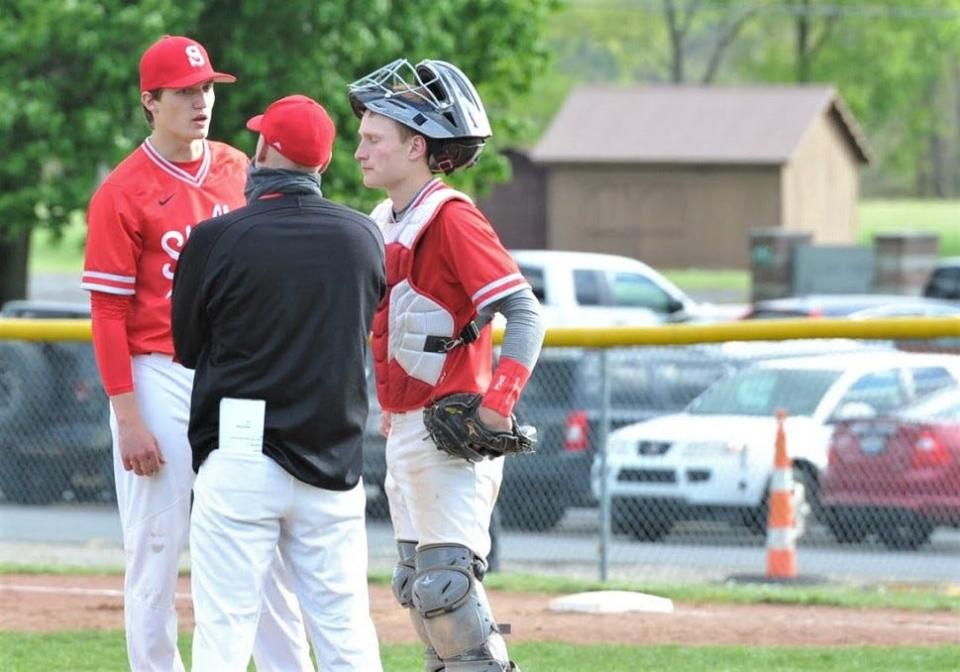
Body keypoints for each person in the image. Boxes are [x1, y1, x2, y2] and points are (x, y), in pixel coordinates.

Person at [82, 35, 312, 672]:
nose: (201, 100)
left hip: (234, 375)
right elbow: (107, 312)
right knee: (157, 544)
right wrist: (128, 417)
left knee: (253, 532)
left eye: (207, 87)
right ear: (149, 102)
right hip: (156, 372)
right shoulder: (122, 192)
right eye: (184, 91)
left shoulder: (241, 169)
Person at [171, 94, 385, 672]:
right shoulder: (362, 236)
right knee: (344, 630)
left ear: (263, 150)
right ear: (321, 164)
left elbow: (187, 347)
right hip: (333, 460)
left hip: (241, 455)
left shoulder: (215, 238)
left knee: (225, 630)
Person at [348, 58, 546, 672]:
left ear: (417, 145)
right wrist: (390, 409)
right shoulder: (385, 220)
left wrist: (498, 404)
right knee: (419, 588)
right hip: (407, 426)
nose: (358, 151)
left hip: (448, 433)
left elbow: (525, 313)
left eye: (374, 138)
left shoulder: (451, 215)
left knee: (445, 587)